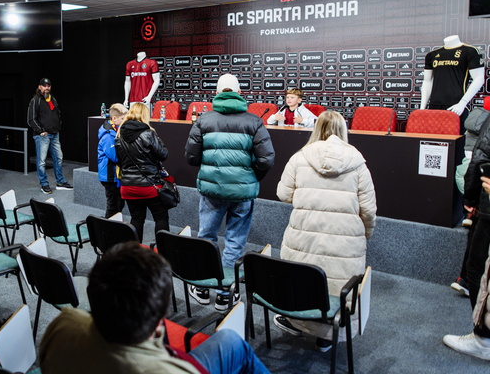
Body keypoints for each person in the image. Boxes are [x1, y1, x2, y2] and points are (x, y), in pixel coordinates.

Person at [40, 241, 270, 374]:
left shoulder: (62, 326)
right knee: (232, 342)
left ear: (92, 293)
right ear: (163, 316)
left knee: (229, 342)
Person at [274, 110, 376, 352]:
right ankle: (327, 336)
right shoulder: (358, 163)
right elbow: (369, 211)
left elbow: (283, 194)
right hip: (345, 245)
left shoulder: (299, 157)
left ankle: (298, 321)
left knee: (302, 280)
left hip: (302, 237)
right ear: (343, 131)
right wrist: (364, 235)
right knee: (335, 287)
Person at [185, 73, 274, 311]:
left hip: (212, 190)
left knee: (207, 236)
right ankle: (225, 293)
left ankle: (203, 287)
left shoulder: (203, 120)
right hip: (242, 193)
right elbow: (266, 160)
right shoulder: (254, 121)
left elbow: (191, 157)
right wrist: (251, 176)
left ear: (217, 92)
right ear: (238, 92)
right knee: (235, 241)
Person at [443, 108, 490, 361]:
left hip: (488, 205)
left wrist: (470, 199)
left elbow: (481, 158)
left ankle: (483, 339)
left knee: (478, 268)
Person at [115, 103, 170, 243]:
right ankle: (163, 253)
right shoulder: (149, 133)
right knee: (161, 217)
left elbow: (119, 160)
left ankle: (137, 254)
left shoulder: (119, 135)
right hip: (149, 185)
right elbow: (163, 154)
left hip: (128, 186)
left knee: (136, 218)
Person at [421, 35, 484, 132]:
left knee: (456, 144)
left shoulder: (470, 51)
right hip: (434, 106)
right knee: (431, 143)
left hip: (456, 106)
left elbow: (479, 79)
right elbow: (427, 81)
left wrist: (462, 103)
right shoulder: (432, 55)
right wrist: (422, 108)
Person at [27, 78, 73, 194]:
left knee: (58, 158)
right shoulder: (35, 100)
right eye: (44, 85)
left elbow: (58, 115)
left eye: (48, 85)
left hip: (54, 134)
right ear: (40, 87)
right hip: (42, 136)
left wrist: (58, 128)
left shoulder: (52, 99)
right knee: (42, 161)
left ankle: (60, 182)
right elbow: (31, 119)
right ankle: (44, 184)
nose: (47, 87)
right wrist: (41, 131)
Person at [98, 103, 128, 218]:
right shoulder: (108, 135)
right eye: (123, 119)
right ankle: (107, 234)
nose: (125, 121)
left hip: (115, 176)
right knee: (113, 207)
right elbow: (115, 157)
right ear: (114, 118)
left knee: (119, 205)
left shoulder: (115, 131)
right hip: (110, 176)